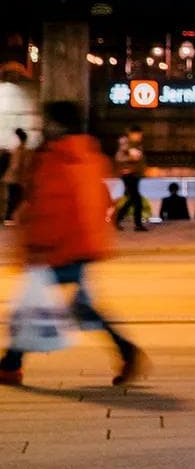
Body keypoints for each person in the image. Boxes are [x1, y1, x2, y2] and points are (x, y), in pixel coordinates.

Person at [0, 102, 150, 387]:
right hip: (83, 244)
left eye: (47, 121)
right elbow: (103, 201)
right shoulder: (91, 155)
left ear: (56, 124)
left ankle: (10, 365)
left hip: (57, 247)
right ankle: (125, 351)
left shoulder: (55, 159)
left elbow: (49, 207)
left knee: (31, 306)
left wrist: (36, 247)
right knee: (74, 306)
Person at [112, 124, 149, 232]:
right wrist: (131, 159)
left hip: (135, 174)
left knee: (132, 199)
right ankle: (137, 224)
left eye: (140, 135)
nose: (140, 137)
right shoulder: (126, 144)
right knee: (136, 199)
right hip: (128, 174)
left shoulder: (137, 145)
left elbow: (140, 159)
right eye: (138, 135)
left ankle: (117, 220)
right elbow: (119, 158)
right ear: (131, 134)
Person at [3, 127, 27, 225]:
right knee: (14, 198)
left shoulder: (18, 149)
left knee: (13, 197)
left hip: (13, 178)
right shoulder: (20, 150)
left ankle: (9, 217)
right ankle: (9, 217)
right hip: (15, 178)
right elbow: (15, 166)